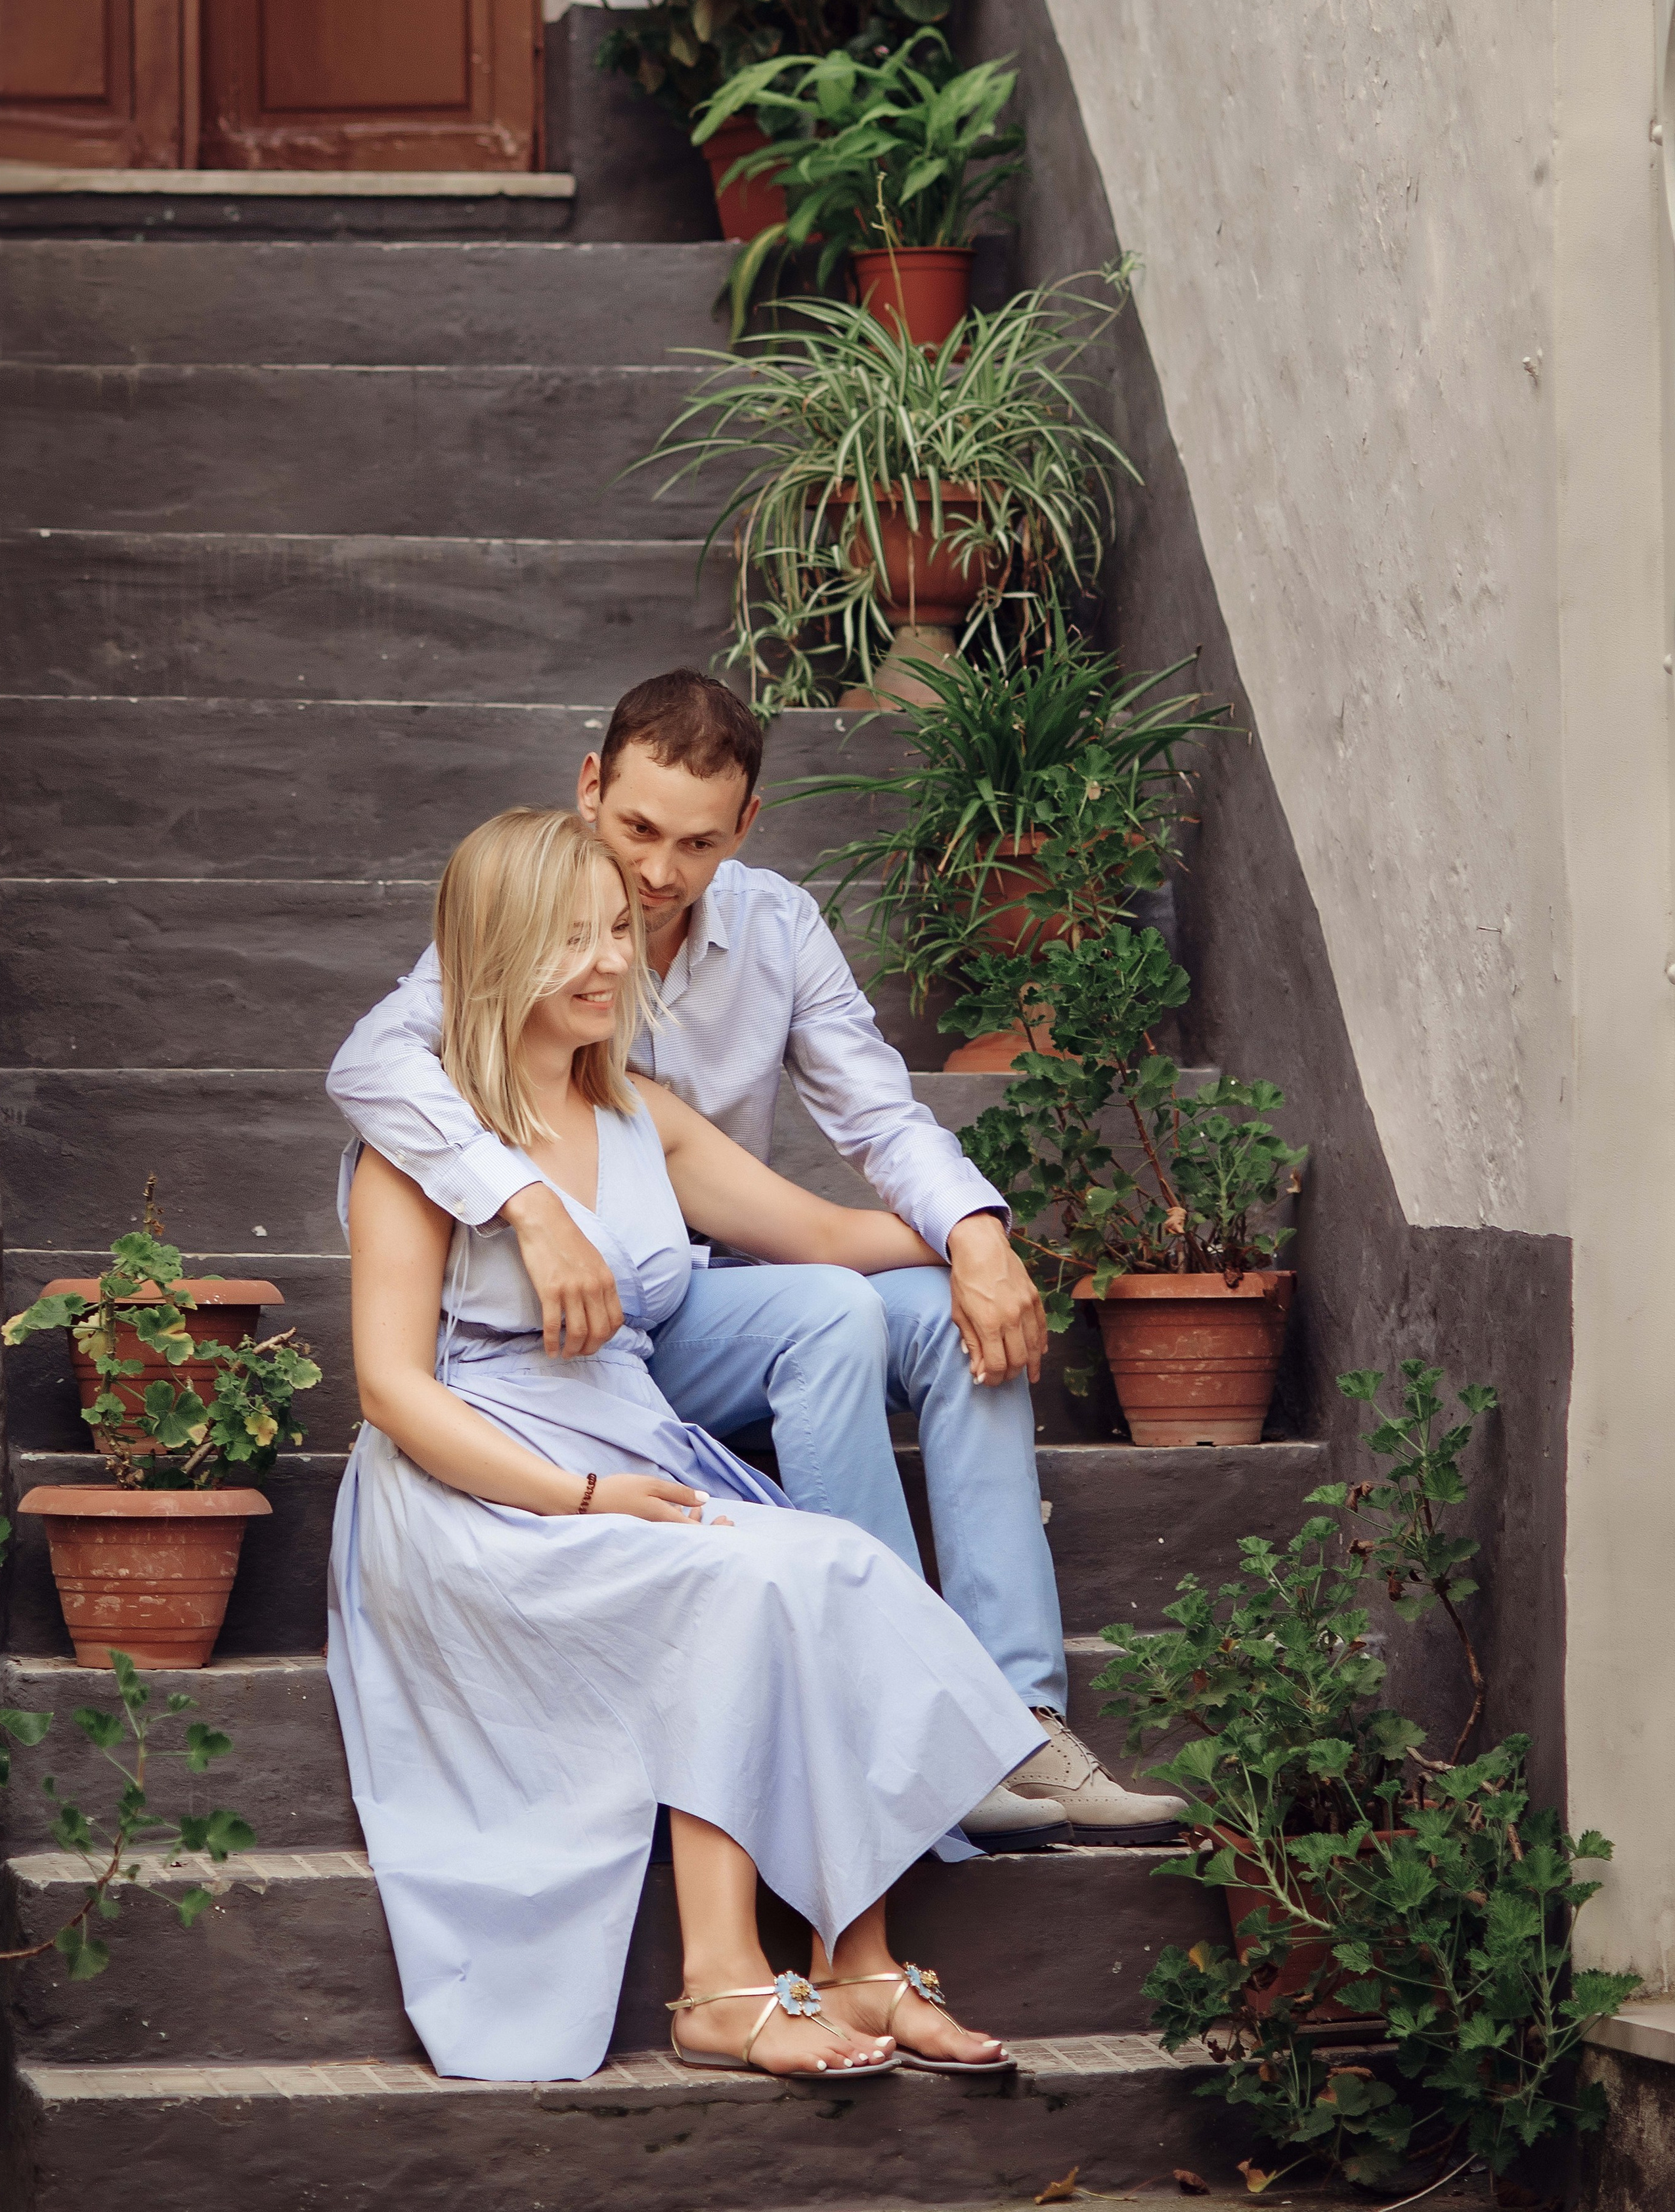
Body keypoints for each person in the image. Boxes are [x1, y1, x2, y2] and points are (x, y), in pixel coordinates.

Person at [328, 670, 1185, 1847]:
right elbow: (375, 1065)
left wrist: (986, 1238)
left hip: (706, 1289)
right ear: (591, 789)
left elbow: (878, 1128)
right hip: (570, 1335)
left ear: (747, 827)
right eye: (635, 829)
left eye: (696, 842)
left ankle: (1020, 1714)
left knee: (945, 1309)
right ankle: (910, 1707)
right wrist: (529, 1202)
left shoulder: (778, 930)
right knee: (836, 1311)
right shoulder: (526, 912)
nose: (657, 873)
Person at [329, 809, 1043, 2082]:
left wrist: (980, 1237)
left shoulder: (636, 1119)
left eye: (615, 932)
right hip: (485, 1494)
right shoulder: (421, 1152)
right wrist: (580, 1494)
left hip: (631, 1450)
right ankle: (715, 1986)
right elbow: (390, 1391)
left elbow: (823, 1236)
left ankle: (856, 1963)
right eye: (570, 941)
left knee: (833, 1565)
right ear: (492, 954)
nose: (610, 961)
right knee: (737, 1578)